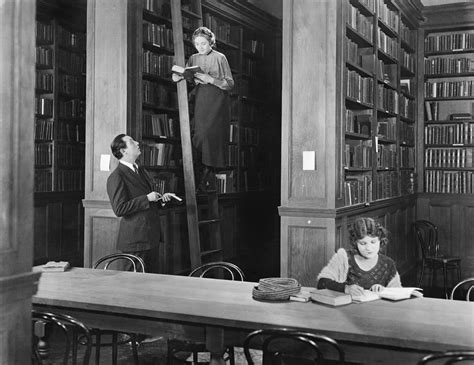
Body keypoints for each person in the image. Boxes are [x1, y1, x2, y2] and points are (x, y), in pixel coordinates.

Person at [173, 26, 234, 192]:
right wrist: (179, 75)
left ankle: (206, 175)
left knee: (209, 135)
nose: (200, 47)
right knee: (198, 135)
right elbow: (188, 74)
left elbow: (229, 84)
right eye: (197, 44)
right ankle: (204, 176)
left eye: (204, 44)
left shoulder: (220, 58)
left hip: (217, 100)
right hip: (201, 99)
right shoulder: (193, 58)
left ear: (211, 42)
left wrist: (210, 79)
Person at [106, 133, 176, 273]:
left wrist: (161, 199)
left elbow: (147, 199)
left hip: (150, 237)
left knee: (150, 284)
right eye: (132, 142)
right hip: (135, 241)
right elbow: (119, 209)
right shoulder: (117, 177)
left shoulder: (141, 170)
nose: (137, 143)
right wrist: (147, 198)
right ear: (123, 151)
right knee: (134, 286)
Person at [317, 217, 402, 297]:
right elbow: (322, 282)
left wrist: (383, 290)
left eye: (373, 242)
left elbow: (397, 293)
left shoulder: (388, 264)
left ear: (380, 240)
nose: (369, 248)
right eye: (363, 243)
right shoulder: (344, 258)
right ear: (355, 243)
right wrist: (345, 288)